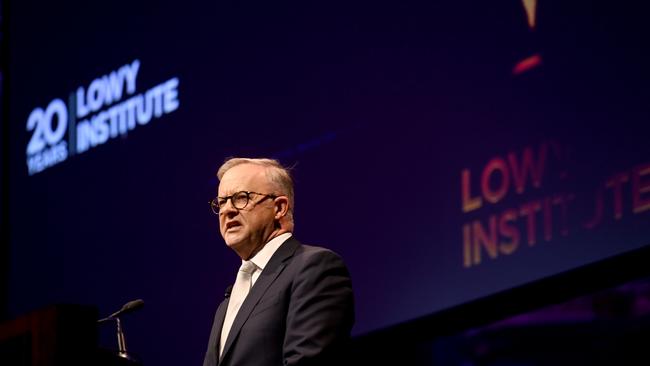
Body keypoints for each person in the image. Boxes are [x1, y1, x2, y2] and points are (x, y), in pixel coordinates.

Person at [203, 157, 354, 366]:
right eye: (221, 202)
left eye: (241, 198)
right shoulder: (226, 305)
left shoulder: (313, 267)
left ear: (280, 207)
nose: (227, 210)